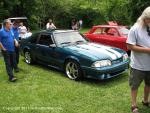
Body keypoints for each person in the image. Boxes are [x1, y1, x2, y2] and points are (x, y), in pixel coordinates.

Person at [126, 7, 150, 113]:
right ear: (144, 17)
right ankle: (134, 105)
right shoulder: (135, 29)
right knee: (134, 86)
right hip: (138, 66)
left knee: (149, 84)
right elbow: (129, 46)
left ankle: (145, 100)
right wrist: (148, 50)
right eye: (149, 19)